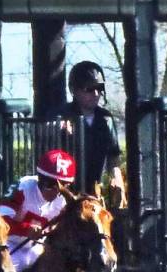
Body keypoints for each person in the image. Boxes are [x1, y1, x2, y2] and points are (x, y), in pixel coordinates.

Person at [0, 149, 76, 272]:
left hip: (37, 249)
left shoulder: (64, 202)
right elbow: (0, 222)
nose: (55, 192)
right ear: (40, 178)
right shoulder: (23, 187)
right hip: (10, 245)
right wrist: (26, 229)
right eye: (50, 184)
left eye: (63, 186)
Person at [52, 61, 124, 196]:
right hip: (68, 192)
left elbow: (113, 156)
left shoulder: (106, 119)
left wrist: (117, 179)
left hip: (97, 192)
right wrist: (59, 128)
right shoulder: (62, 116)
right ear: (74, 90)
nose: (96, 93)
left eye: (99, 88)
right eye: (89, 89)